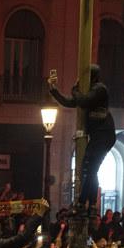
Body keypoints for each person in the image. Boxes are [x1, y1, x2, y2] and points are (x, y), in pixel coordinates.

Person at [48, 65, 116, 212]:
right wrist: (53, 90)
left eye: (82, 77)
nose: (79, 79)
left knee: (90, 168)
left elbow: (83, 101)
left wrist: (75, 89)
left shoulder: (99, 89)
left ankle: (83, 202)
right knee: (89, 169)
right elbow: (70, 102)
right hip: (98, 135)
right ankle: (89, 202)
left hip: (104, 134)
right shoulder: (89, 92)